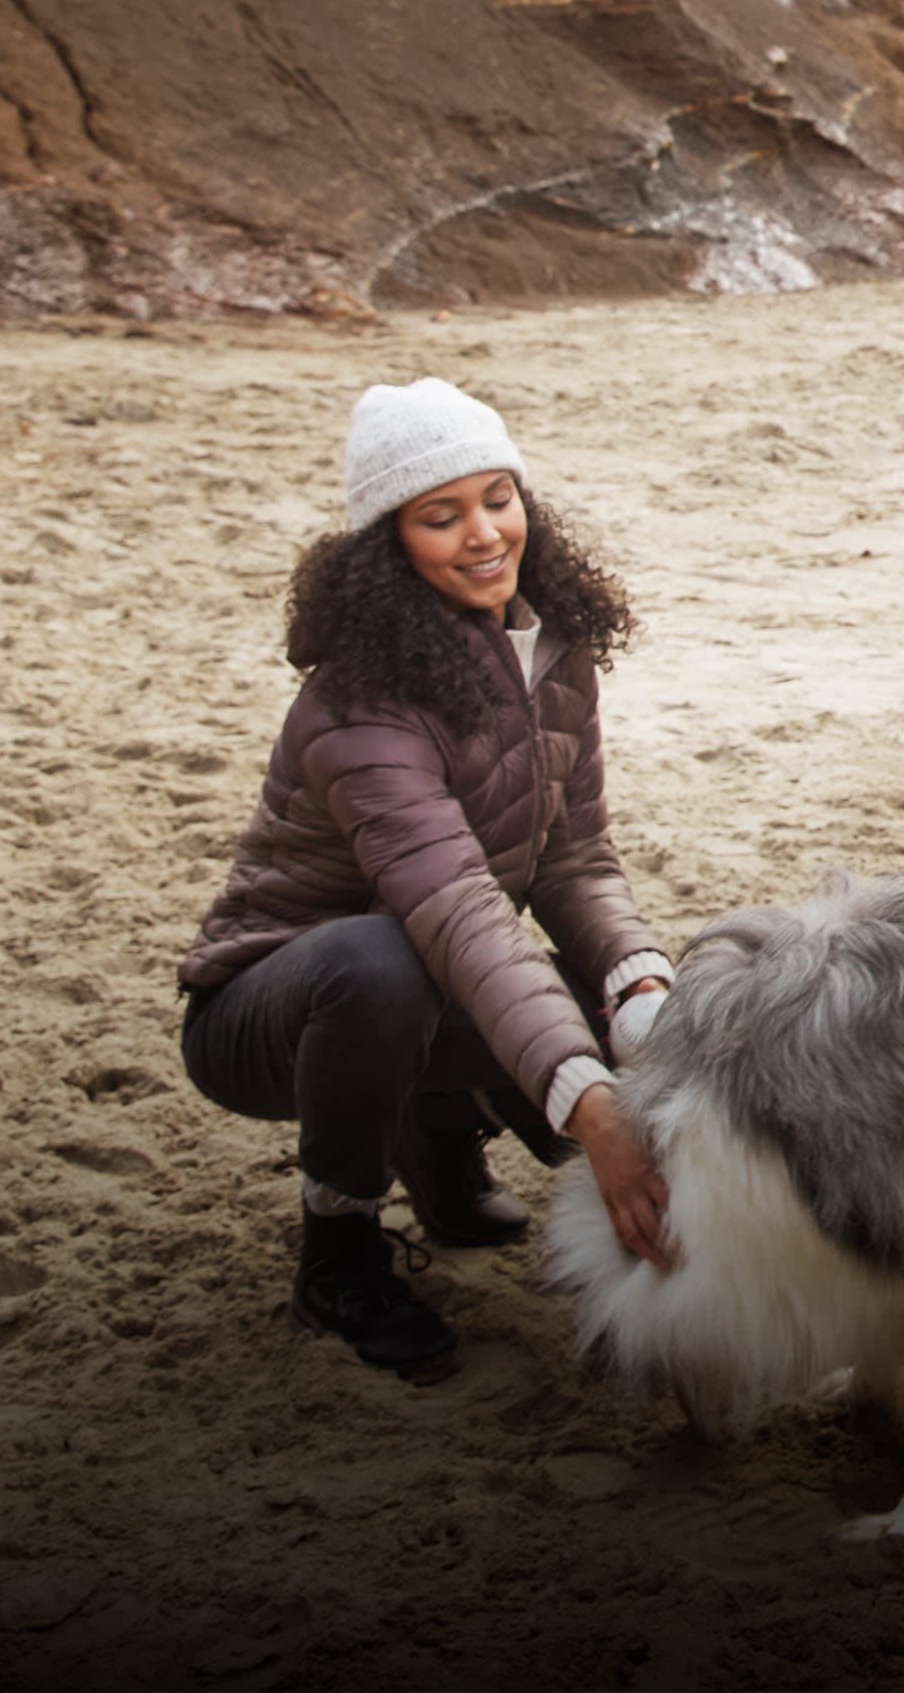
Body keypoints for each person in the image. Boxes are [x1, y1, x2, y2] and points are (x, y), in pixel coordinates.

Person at [179, 379, 680, 1376]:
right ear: (387, 546)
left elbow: (574, 858)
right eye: (440, 516)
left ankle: (440, 1142)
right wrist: (591, 1108)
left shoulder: (552, 647)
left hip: (427, 967)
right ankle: (340, 1252)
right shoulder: (359, 706)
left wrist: (643, 990)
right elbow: (455, 907)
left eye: (499, 497)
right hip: (269, 1011)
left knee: (624, 1008)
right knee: (383, 962)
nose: (486, 533)